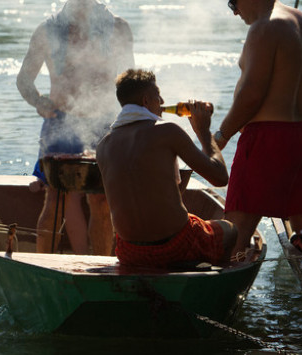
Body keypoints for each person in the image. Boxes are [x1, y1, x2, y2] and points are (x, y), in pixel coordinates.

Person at [16, 0, 134, 255]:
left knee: (102, 199)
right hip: (60, 120)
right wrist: (39, 101)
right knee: (54, 198)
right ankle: (42, 267)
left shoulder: (118, 28)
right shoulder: (48, 29)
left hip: (105, 123)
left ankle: (103, 266)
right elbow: (24, 80)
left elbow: (129, 84)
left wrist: (131, 123)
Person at [214, 0, 302, 250]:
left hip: (268, 139)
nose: (235, 12)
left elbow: (251, 95)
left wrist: (221, 136)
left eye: (234, 2)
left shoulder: (264, 27)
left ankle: (226, 291)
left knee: (237, 229)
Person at [96, 69, 237, 267]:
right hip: (176, 245)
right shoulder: (167, 131)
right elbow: (220, 177)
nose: (162, 102)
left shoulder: (104, 145)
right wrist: (203, 131)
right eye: (158, 96)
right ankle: (215, 281)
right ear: (146, 101)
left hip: (129, 252)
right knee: (230, 231)